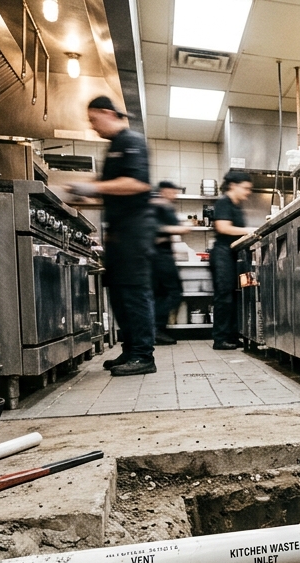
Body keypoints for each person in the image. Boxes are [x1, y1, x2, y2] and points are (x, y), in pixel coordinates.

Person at [67, 96, 157, 376]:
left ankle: (143, 355)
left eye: (94, 120)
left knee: (133, 293)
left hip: (134, 232)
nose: (93, 127)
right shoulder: (115, 147)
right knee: (119, 294)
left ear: (108, 113)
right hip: (118, 233)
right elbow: (110, 188)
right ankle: (130, 350)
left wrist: (92, 189)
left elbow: (137, 182)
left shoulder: (132, 141)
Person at [210, 170, 255, 350]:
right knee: (224, 297)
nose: (248, 192)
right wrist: (251, 230)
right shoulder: (223, 202)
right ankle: (220, 339)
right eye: (245, 188)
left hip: (234, 257)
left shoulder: (236, 207)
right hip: (222, 255)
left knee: (236, 296)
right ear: (233, 186)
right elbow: (222, 227)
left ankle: (232, 335)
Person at [151, 181, 188, 345]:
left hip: (155, 256)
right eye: (172, 192)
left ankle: (155, 329)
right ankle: (157, 329)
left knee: (159, 294)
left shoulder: (154, 205)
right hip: (160, 256)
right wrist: (181, 228)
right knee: (174, 292)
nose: (175, 195)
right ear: (164, 191)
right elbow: (160, 229)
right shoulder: (162, 205)